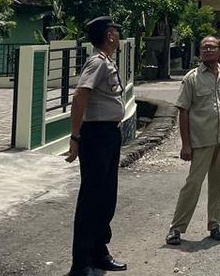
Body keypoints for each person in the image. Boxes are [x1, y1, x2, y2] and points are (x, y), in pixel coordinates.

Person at [64, 16, 128, 275]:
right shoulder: (96, 62)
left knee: (106, 198)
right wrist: (75, 136)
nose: (118, 35)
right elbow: (80, 95)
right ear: (109, 35)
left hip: (109, 134)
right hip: (96, 135)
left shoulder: (107, 61)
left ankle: (99, 252)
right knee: (91, 200)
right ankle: (80, 264)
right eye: (115, 31)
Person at [165, 35, 220, 245]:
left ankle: (215, 225)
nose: (208, 51)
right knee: (193, 183)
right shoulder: (192, 78)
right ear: (199, 52)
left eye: (212, 47)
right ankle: (176, 229)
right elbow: (183, 111)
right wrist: (186, 144)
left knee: (217, 185)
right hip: (201, 140)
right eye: (204, 48)